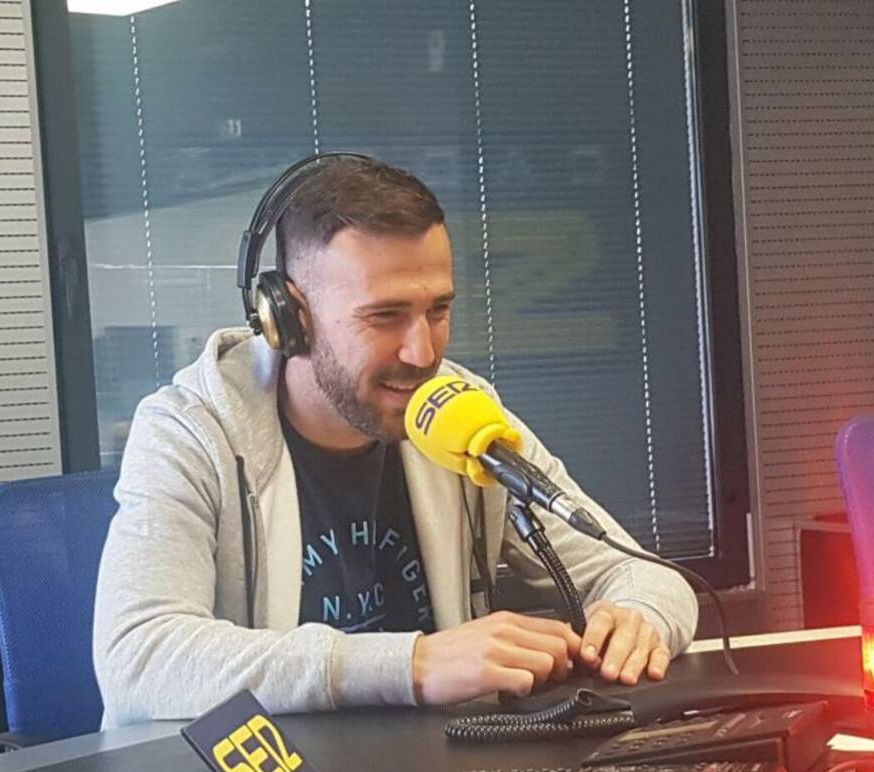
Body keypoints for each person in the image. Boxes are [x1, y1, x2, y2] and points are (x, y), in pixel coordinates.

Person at [93, 154, 698, 726]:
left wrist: (639, 618)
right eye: (385, 316)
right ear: (289, 318)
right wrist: (413, 665)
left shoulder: (458, 410)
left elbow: (644, 576)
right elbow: (138, 661)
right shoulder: (190, 431)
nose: (422, 352)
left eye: (438, 310)